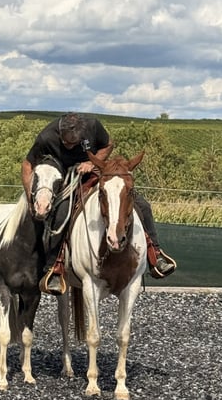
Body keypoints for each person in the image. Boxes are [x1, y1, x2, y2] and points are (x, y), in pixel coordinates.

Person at [21, 112, 176, 294]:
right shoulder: (46, 137)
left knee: (143, 206)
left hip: (97, 172)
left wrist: (92, 162)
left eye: (74, 143)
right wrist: (30, 198)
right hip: (66, 176)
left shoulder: (93, 125)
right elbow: (27, 165)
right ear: (60, 132)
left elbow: (108, 144)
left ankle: (155, 255)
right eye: (66, 143)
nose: (69, 146)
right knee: (61, 214)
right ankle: (54, 268)